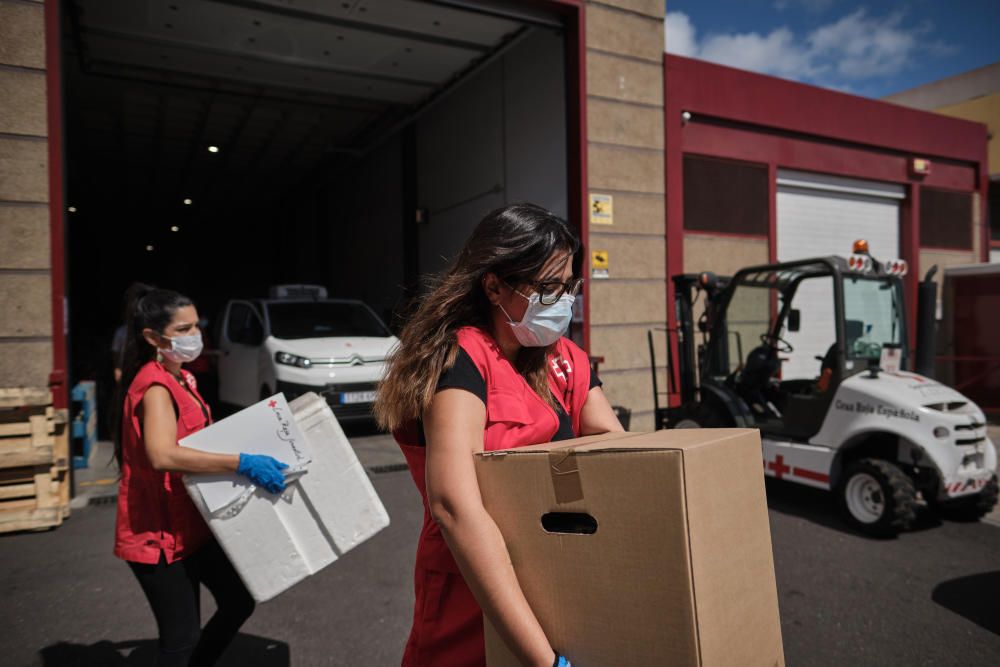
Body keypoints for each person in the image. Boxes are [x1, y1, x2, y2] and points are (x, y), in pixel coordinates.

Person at [375, 204, 624, 667]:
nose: (564, 301)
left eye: (569, 287)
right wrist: (541, 659)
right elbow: (455, 507)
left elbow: (613, 447)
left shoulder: (565, 359)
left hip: (556, 579)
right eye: (548, 288)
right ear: (493, 285)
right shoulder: (463, 358)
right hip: (474, 590)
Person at [110, 283, 289, 666]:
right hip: (157, 536)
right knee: (181, 639)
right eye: (183, 330)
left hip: (191, 524)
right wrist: (240, 462)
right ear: (152, 337)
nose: (195, 337)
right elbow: (161, 455)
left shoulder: (182, 378)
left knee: (238, 600)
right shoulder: (155, 386)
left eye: (197, 326)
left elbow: (195, 440)